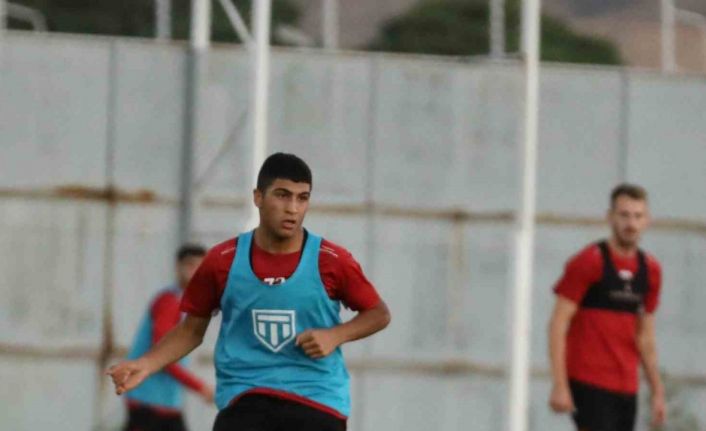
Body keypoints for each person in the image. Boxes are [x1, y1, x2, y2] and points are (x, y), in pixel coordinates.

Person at [108, 152, 391, 431]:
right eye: (282, 195)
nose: (292, 208)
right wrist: (146, 364)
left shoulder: (332, 260)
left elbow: (378, 313)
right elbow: (191, 331)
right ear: (258, 197)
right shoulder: (222, 260)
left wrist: (335, 335)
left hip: (316, 400)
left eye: (302, 198)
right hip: (246, 398)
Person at [548, 184, 666, 431]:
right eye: (624, 215)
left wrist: (657, 390)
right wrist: (560, 384)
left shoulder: (651, 270)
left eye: (638, 216)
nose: (631, 223)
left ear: (647, 221)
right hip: (588, 380)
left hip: (626, 385)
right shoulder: (590, 261)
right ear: (610, 217)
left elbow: (645, 337)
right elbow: (558, 323)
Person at [122, 244, 214, 431]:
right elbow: (164, 356)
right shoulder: (169, 302)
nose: (195, 271)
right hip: (149, 402)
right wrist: (201, 388)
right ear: (178, 267)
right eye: (190, 265)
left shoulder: (188, 303)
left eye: (200, 266)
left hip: (163, 403)